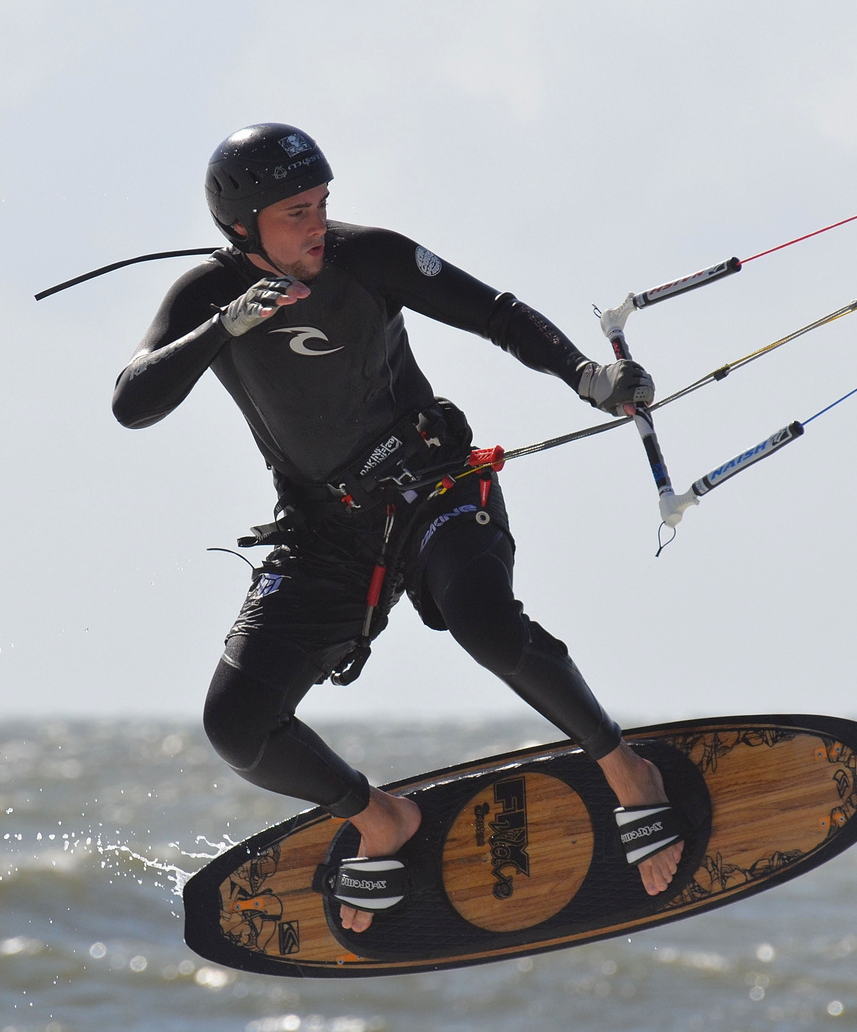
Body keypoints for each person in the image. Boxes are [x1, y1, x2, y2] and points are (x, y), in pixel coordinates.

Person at [112, 124, 684, 933]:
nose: (316, 225)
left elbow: (496, 313)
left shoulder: (366, 256)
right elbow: (131, 402)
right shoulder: (208, 299)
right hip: (324, 536)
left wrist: (589, 379)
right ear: (242, 228)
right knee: (237, 726)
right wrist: (223, 329)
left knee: (484, 624)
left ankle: (626, 769)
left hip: (433, 490)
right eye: (294, 213)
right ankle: (380, 817)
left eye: (320, 204)